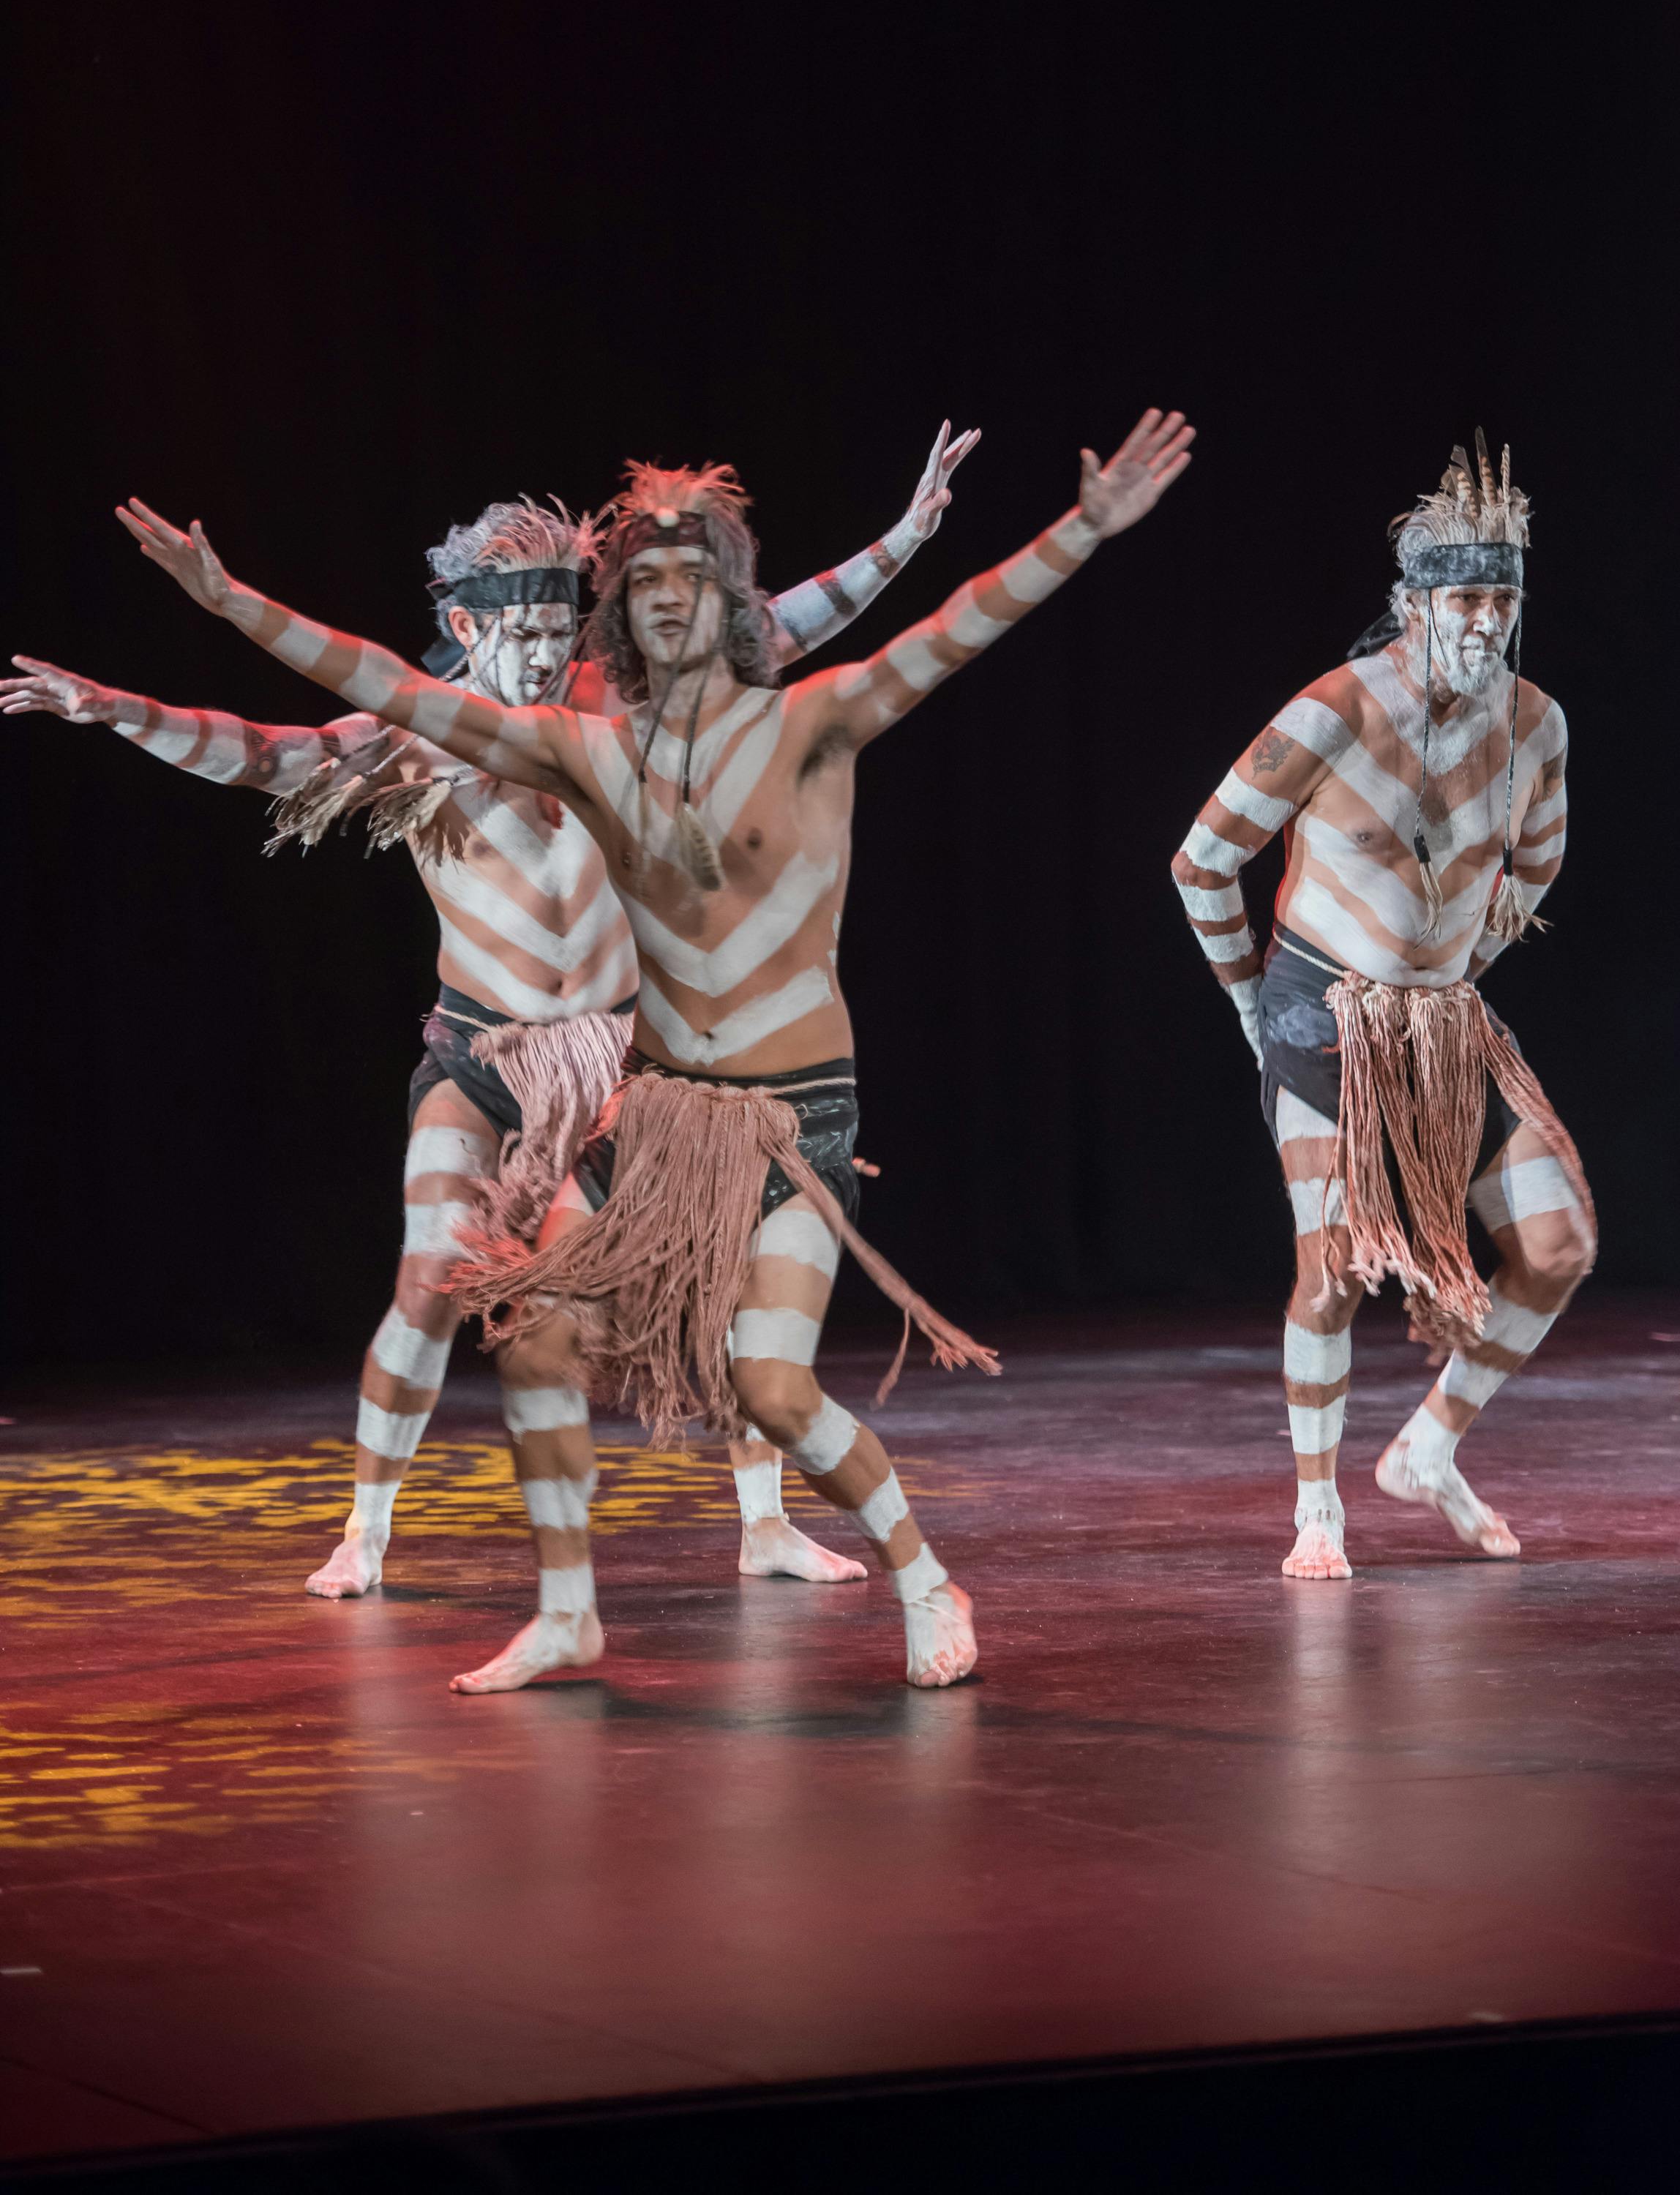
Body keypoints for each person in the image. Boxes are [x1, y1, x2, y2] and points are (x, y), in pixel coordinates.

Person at [110, 406, 1195, 1689]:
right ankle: (567, 1610)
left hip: (793, 1120)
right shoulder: (588, 751)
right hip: (658, 1114)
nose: (669, 608)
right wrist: (229, 600)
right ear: (615, 624)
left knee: (773, 1389)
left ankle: (925, 1577)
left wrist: (1082, 526)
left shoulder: (815, 719)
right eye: (647, 590)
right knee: (532, 1336)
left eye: (694, 586)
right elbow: (381, 692)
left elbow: (959, 625)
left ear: (733, 612)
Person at [4, 432, 973, 1601]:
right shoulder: (413, 740)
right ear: (466, 630)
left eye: (562, 632)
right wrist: (111, 710)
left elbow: (776, 628)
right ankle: (365, 1525)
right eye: (520, 634)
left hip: (627, 1053)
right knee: (427, 1275)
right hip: (483, 1052)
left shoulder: (621, 708)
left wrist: (906, 541)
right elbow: (263, 754)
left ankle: (763, 1522)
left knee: (708, 1279)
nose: (545, 653)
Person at [1172, 438, 1594, 1580]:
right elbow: (1203, 861)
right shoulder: (1331, 713)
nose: (1487, 621)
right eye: (1465, 596)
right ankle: (1319, 1508)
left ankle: (1429, 1448)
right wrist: (1252, 1007)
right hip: (1320, 1012)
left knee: (1557, 1245)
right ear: (1413, 604)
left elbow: (1539, 866)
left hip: (1445, 1020)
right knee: (1334, 1271)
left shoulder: (1535, 725)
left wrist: (1459, 972)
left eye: (1502, 597)